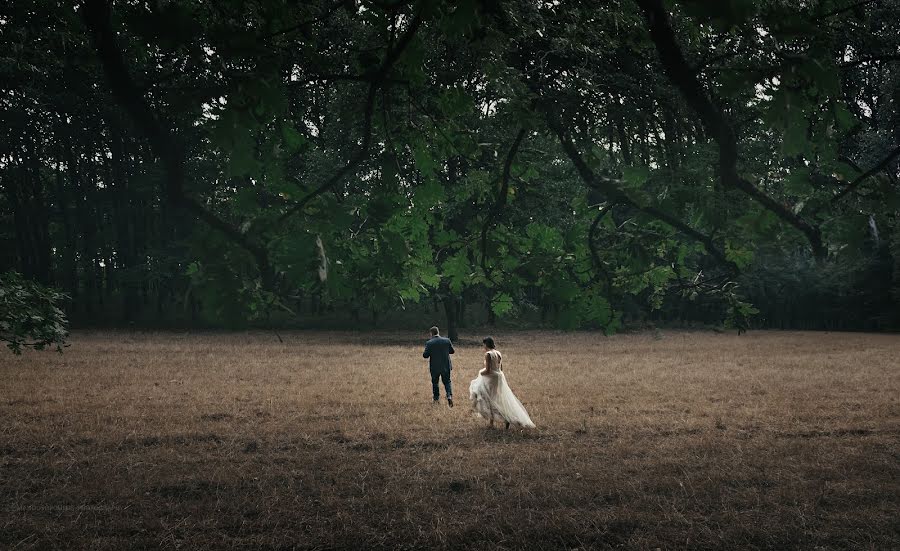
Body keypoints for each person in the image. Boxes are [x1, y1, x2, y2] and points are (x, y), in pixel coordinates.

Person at [469, 336, 535, 429]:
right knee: (496, 398)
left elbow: (488, 370)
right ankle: (493, 422)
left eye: (483, 345)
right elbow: (500, 368)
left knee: (486, 397)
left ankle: (502, 419)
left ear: (486, 344)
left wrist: (480, 372)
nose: (483, 347)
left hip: (490, 378)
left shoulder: (488, 354)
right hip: (498, 377)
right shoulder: (498, 353)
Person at [423, 326, 454, 407]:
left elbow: (425, 355)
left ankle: (436, 398)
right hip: (446, 366)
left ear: (431, 333)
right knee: (447, 382)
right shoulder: (447, 340)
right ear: (438, 332)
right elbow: (452, 351)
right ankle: (449, 396)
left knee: (435, 382)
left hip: (434, 367)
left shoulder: (429, 343)